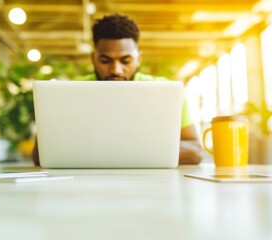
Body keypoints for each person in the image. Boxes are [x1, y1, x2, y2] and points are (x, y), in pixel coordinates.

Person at [32, 14, 203, 165]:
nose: (116, 70)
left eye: (125, 61)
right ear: (93, 58)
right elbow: (40, 155)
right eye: (106, 60)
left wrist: (119, 149)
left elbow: (195, 151)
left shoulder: (167, 93)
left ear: (138, 59)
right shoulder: (68, 93)